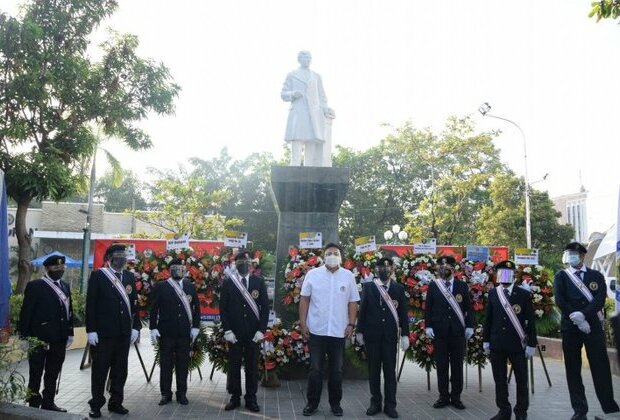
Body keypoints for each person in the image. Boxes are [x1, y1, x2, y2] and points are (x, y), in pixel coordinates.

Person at [553, 242, 619, 420]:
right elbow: (560, 299)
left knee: (601, 367)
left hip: (593, 326)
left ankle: (610, 408)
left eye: (574, 253)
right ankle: (580, 410)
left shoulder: (595, 275)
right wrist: (576, 318)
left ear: (582, 256)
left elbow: (599, 299)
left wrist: (584, 315)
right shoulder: (561, 276)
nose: (570, 256)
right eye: (568, 253)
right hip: (570, 328)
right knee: (573, 370)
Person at [299, 242, 360, 417]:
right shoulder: (313, 274)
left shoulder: (348, 276)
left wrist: (351, 324)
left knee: (337, 370)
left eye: (335, 253)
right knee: (315, 369)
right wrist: (303, 323)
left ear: (340, 256)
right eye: (328, 253)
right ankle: (312, 403)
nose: (332, 255)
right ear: (323, 256)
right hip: (316, 330)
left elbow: (353, 302)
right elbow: (304, 299)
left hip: (338, 331)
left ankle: (335, 404)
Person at [85, 244, 141, 418]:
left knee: (120, 371)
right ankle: (96, 404)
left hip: (123, 333)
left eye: (124, 255)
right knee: (100, 370)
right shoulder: (98, 275)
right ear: (109, 257)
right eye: (118, 255)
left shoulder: (130, 277)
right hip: (103, 333)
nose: (122, 258)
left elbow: (134, 304)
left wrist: (136, 327)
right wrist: (91, 330)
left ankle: (116, 402)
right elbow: (91, 305)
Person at [19, 254, 74, 412]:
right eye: (55, 268)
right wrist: (24, 336)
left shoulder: (65, 286)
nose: (59, 270)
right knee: (35, 373)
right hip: (39, 338)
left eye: (62, 267)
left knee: (53, 373)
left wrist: (70, 333)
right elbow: (26, 313)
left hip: (59, 338)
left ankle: (48, 402)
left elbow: (69, 311)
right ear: (47, 268)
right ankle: (33, 404)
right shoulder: (35, 286)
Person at [484, 260, 537, 420]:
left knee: (521, 380)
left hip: (517, 344)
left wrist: (531, 344)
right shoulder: (493, 293)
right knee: (499, 380)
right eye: (501, 272)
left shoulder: (523, 294)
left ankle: (521, 412)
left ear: (513, 275)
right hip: (497, 343)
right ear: (497, 275)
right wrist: (486, 341)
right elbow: (489, 319)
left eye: (507, 272)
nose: (504, 275)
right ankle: (503, 411)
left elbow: (530, 321)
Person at [357, 257, 410, 418]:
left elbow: (403, 314)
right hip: (372, 336)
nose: (384, 271)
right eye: (381, 268)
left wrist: (405, 335)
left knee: (389, 373)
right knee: (373, 372)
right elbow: (363, 311)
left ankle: (390, 405)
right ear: (376, 269)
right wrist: (359, 331)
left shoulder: (399, 289)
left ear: (392, 269)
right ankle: (375, 403)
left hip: (389, 338)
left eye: (387, 268)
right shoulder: (369, 287)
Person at [219, 250, 270, 413]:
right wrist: (227, 330)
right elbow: (223, 309)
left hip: (253, 334)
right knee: (233, 366)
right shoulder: (228, 282)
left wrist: (261, 330)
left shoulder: (258, 281)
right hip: (234, 334)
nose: (245, 266)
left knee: (252, 367)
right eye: (241, 263)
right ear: (236, 264)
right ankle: (234, 397)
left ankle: (251, 398)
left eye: (247, 263)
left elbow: (265, 308)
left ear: (251, 265)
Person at [424, 255, 474, 410]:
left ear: (453, 269)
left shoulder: (462, 286)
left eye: (446, 268)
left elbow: (468, 308)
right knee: (442, 366)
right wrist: (428, 326)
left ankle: (456, 397)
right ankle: (443, 396)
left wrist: (470, 326)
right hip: (440, 332)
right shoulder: (434, 286)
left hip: (458, 332)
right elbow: (429, 308)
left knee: (457, 366)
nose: (443, 270)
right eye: (441, 268)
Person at [149, 258, 200, 406]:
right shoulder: (161, 286)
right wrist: (153, 328)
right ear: (170, 270)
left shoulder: (190, 286)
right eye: (174, 268)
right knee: (165, 365)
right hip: (166, 333)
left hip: (184, 333)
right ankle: (166, 394)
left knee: (183, 364)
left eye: (180, 268)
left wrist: (196, 326)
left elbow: (196, 308)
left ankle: (181, 393)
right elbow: (154, 309)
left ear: (184, 270)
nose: (178, 271)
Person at [281, 50, 335, 167]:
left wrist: (326, 109)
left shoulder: (316, 76)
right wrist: (292, 94)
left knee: (311, 143)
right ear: (299, 59)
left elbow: (322, 96)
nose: (307, 60)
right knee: (297, 141)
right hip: (298, 113)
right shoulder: (292, 74)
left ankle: (309, 170)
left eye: (309, 58)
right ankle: (294, 169)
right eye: (305, 58)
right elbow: (283, 94)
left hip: (314, 114)